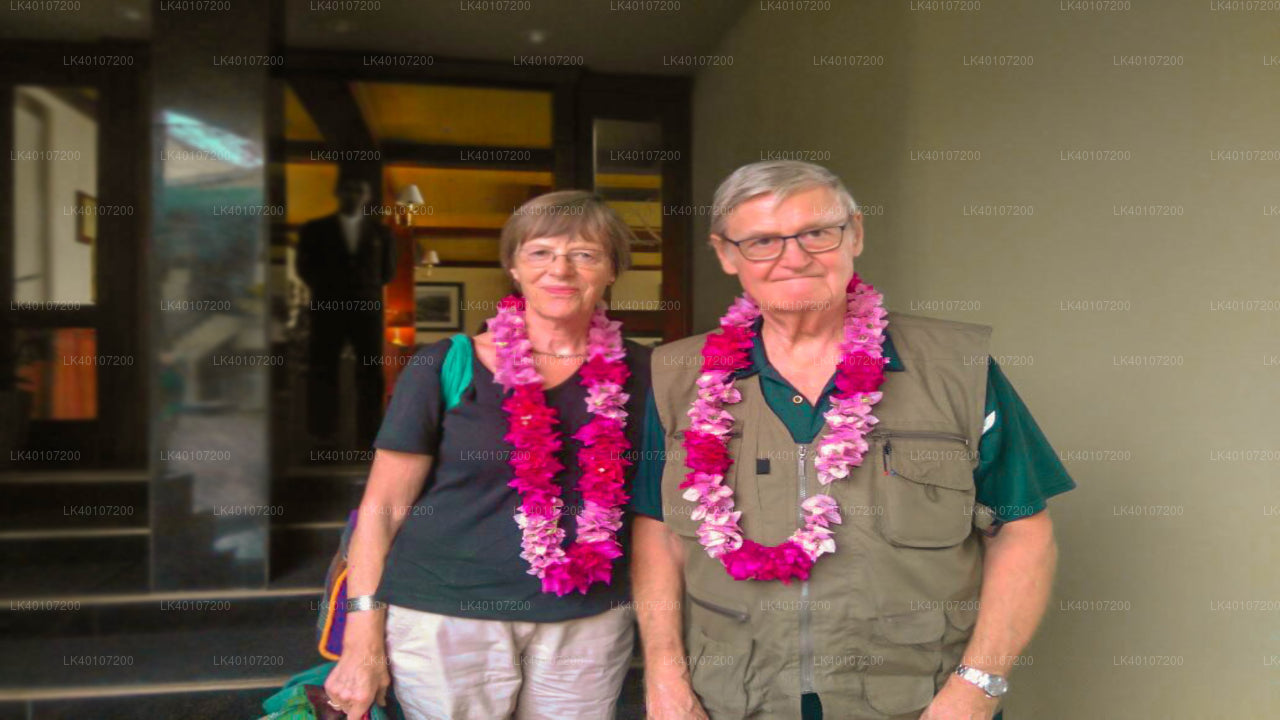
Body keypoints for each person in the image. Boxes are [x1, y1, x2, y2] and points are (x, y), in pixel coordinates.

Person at [630, 161, 1076, 720]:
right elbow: (659, 532)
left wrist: (977, 687)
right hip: (731, 699)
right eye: (763, 241)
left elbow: (1022, 530)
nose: (794, 258)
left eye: (817, 232)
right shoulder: (678, 375)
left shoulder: (956, 367)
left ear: (856, 234)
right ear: (725, 253)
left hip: (921, 701)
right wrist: (665, 678)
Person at [323, 191, 651, 720]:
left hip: (587, 619)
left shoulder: (647, 373)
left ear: (612, 269)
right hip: (445, 616)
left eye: (585, 254)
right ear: (513, 267)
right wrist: (361, 637)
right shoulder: (443, 364)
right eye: (540, 252)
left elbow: (655, 513)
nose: (560, 269)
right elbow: (381, 509)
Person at [296, 175, 397, 450]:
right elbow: (304, 268)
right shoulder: (315, 230)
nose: (353, 195)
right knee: (322, 369)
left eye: (359, 190)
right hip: (327, 308)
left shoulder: (381, 233)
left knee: (370, 371)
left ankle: (369, 436)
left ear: (367, 196)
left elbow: (387, 273)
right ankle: (321, 436)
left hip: (367, 308)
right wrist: (329, 290)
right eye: (348, 189)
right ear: (338, 193)